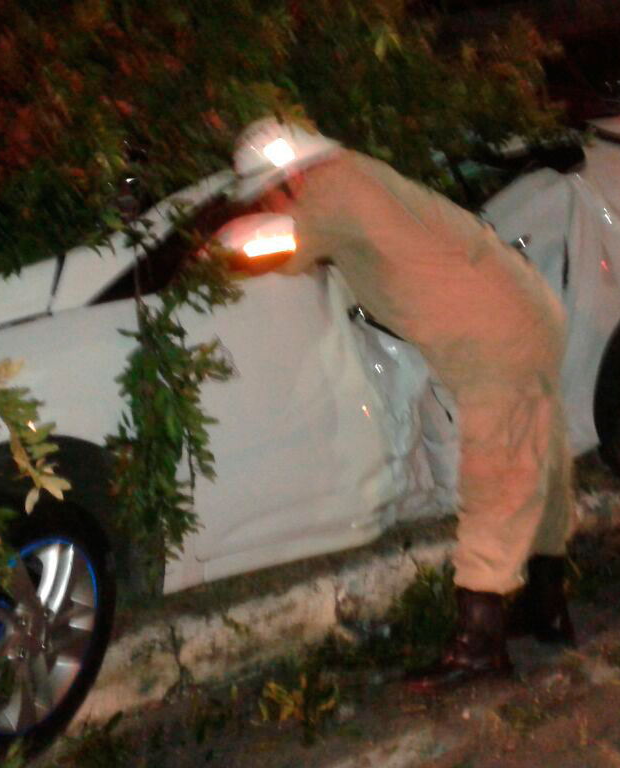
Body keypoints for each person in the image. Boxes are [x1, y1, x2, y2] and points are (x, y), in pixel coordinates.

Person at [231, 117, 578, 689]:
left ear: (287, 176)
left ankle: (479, 646)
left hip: (493, 332)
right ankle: (546, 606)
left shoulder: (329, 192)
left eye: (265, 191)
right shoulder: (356, 177)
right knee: (540, 459)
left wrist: (216, 256)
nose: (268, 202)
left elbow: (279, 256)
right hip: (520, 311)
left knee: (497, 476)